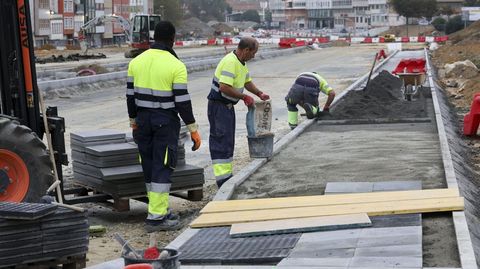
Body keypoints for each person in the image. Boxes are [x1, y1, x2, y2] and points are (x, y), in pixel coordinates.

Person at [126, 21, 201, 232]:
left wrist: (133, 122)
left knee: (149, 166)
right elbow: (182, 102)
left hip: (142, 121)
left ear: (154, 37)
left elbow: (130, 97)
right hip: (164, 122)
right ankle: (156, 218)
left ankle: (157, 209)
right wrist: (193, 129)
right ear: (172, 39)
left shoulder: (136, 62)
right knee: (163, 166)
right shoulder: (176, 65)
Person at [207, 37, 270, 188]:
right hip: (219, 106)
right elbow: (224, 87)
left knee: (227, 140)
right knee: (221, 140)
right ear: (246, 50)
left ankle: (226, 176)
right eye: (253, 53)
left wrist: (259, 93)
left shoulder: (241, 63)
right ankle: (222, 180)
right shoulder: (230, 62)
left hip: (227, 106)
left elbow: (247, 82)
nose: (253, 56)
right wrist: (243, 97)